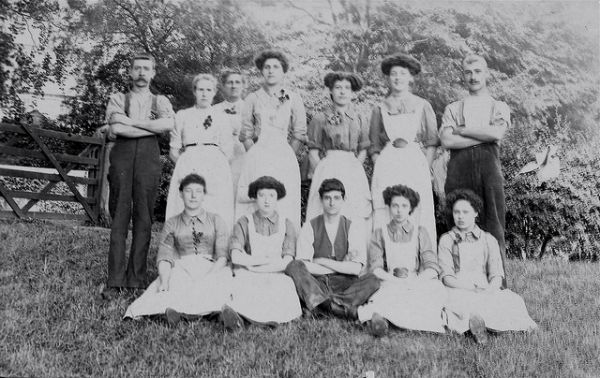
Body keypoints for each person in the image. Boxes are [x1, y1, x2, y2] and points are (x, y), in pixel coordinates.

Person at [102, 53, 175, 298]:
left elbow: (166, 126)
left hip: (148, 159)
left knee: (144, 217)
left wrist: (131, 123)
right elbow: (115, 128)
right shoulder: (118, 98)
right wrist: (147, 126)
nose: (142, 73)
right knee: (120, 216)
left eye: (147, 69)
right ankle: (115, 280)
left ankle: (136, 279)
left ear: (153, 73)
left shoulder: (161, 101)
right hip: (122, 157)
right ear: (130, 73)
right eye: (137, 68)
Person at [124, 174, 232, 326]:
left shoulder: (216, 220)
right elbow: (165, 256)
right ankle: (184, 313)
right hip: (183, 267)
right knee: (173, 286)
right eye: (188, 191)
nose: (193, 196)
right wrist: (164, 280)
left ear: (204, 195)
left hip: (211, 266)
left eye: (198, 191)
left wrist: (209, 276)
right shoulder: (172, 223)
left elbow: (222, 255)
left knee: (220, 282)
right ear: (181, 194)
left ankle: (215, 313)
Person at [439, 54, 510, 283]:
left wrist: (462, 130)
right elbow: (447, 142)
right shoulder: (453, 108)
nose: (473, 76)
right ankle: (455, 283)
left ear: (486, 73)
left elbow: (496, 133)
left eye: (478, 71)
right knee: (457, 222)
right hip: (458, 171)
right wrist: (482, 135)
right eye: (468, 72)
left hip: (489, 172)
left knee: (494, 224)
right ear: (463, 75)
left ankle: (497, 285)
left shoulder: (498, 106)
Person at [439, 189, 537, 344]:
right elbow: (447, 277)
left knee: (512, 300)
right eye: (456, 212)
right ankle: (478, 328)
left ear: (476, 213)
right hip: (458, 286)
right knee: (462, 303)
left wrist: (490, 289)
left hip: (484, 285)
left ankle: (482, 326)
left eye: (465, 212)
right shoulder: (447, 240)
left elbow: (496, 274)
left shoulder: (488, 240)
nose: (460, 216)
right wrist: (471, 287)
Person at [358, 184, 446, 336]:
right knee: (382, 295)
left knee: (436, 289)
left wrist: (415, 281)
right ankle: (381, 321)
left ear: (410, 208)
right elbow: (376, 268)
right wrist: (394, 280)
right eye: (395, 206)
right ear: (389, 207)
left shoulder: (420, 231)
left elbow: (431, 265)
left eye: (404, 206)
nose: (399, 211)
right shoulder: (380, 233)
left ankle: (391, 318)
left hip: (414, 280)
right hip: (390, 279)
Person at [286, 179, 380, 319]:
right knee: (294, 266)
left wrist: (321, 261)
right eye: (327, 198)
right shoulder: (310, 226)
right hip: (318, 282)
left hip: (345, 283)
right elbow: (304, 265)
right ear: (321, 200)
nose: (332, 202)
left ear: (343, 200)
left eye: (336, 198)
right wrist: (341, 266)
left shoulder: (352, 227)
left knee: (373, 280)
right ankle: (340, 309)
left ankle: (322, 306)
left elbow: (355, 269)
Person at [369, 53, 438, 241]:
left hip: (414, 162)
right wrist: (380, 164)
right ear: (388, 78)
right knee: (386, 205)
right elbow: (374, 145)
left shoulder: (422, 105)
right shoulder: (380, 107)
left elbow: (432, 141)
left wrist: (426, 165)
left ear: (410, 77)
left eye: (402, 73)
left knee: (416, 205)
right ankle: (384, 255)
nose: (398, 78)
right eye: (393, 74)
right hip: (388, 162)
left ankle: (419, 256)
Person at [236, 49, 307, 228]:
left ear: (283, 71)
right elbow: (245, 132)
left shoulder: (293, 98)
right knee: (258, 196)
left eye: (276, 67)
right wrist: (254, 154)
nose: (271, 70)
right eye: (267, 67)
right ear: (261, 71)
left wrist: (288, 153)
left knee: (283, 198)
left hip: (284, 154)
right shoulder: (252, 98)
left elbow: (299, 132)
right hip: (258, 153)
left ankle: (284, 244)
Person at [224, 176, 302, 329]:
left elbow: (287, 260)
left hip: (276, 271)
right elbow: (235, 256)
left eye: (271, 195)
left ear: (277, 198)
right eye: (262, 195)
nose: (267, 200)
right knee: (244, 284)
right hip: (250, 270)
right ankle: (241, 317)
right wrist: (258, 263)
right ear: (255, 198)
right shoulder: (245, 221)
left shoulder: (286, 223)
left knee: (283, 285)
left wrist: (258, 265)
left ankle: (264, 320)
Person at [165, 74, 234, 228]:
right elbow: (174, 151)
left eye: (208, 90)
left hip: (214, 168)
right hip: (188, 166)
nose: (204, 93)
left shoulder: (222, 117)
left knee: (213, 208)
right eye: (200, 89)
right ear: (194, 92)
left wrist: (215, 170)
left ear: (214, 92)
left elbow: (228, 152)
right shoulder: (183, 115)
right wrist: (186, 167)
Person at [305, 72, 372, 224]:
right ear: (330, 90)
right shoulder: (320, 118)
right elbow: (313, 152)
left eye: (347, 88)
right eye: (338, 87)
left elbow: (363, 149)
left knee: (354, 208)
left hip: (352, 167)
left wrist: (355, 166)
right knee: (328, 203)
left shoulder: (359, 118)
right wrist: (323, 172)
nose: (342, 92)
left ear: (352, 92)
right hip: (328, 166)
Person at [213, 70, 247, 193]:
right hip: (220, 160)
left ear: (243, 86)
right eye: (229, 82)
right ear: (223, 86)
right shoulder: (213, 110)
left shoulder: (251, 109)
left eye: (237, 82)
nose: (234, 86)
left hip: (243, 159)